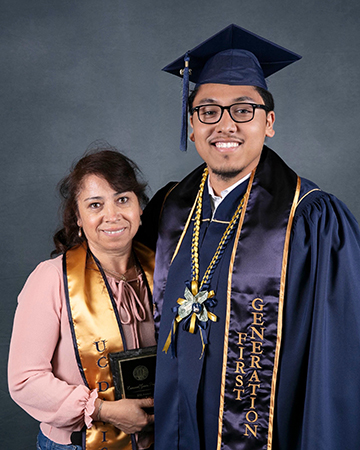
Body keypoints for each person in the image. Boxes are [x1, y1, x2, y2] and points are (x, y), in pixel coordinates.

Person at [137, 24, 360, 450]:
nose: (225, 125)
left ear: (269, 122)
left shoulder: (312, 220)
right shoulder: (168, 209)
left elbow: (338, 368)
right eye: (208, 110)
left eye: (243, 110)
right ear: (191, 122)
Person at [8, 147, 156, 450]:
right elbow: (25, 380)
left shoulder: (165, 270)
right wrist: (100, 409)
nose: (112, 215)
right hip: (79, 445)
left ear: (139, 207)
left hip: (159, 440)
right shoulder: (51, 278)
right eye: (95, 205)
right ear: (77, 216)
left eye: (123, 199)